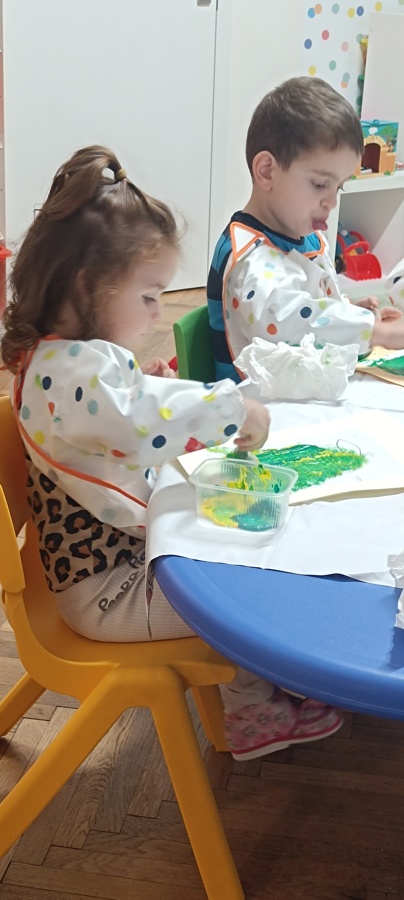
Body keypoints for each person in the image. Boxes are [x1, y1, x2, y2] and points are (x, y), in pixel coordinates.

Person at [0, 145, 342, 760]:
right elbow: (135, 416)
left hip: (115, 563)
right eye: (149, 296)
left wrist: (144, 382)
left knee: (231, 536)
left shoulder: (62, 359)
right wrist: (232, 408)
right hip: (107, 589)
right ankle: (252, 713)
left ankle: (257, 685)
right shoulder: (67, 372)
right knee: (241, 588)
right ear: (86, 286)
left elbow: (119, 408)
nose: (159, 311)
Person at [207, 76, 404, 383]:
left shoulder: (303, 234)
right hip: (258, 404)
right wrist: (374, 331)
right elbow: (283, 319)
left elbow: (307, 303)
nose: (331, 202)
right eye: (320, 184)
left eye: (338, 187)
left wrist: (347, 309)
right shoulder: (250, 256)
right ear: (267, 171)